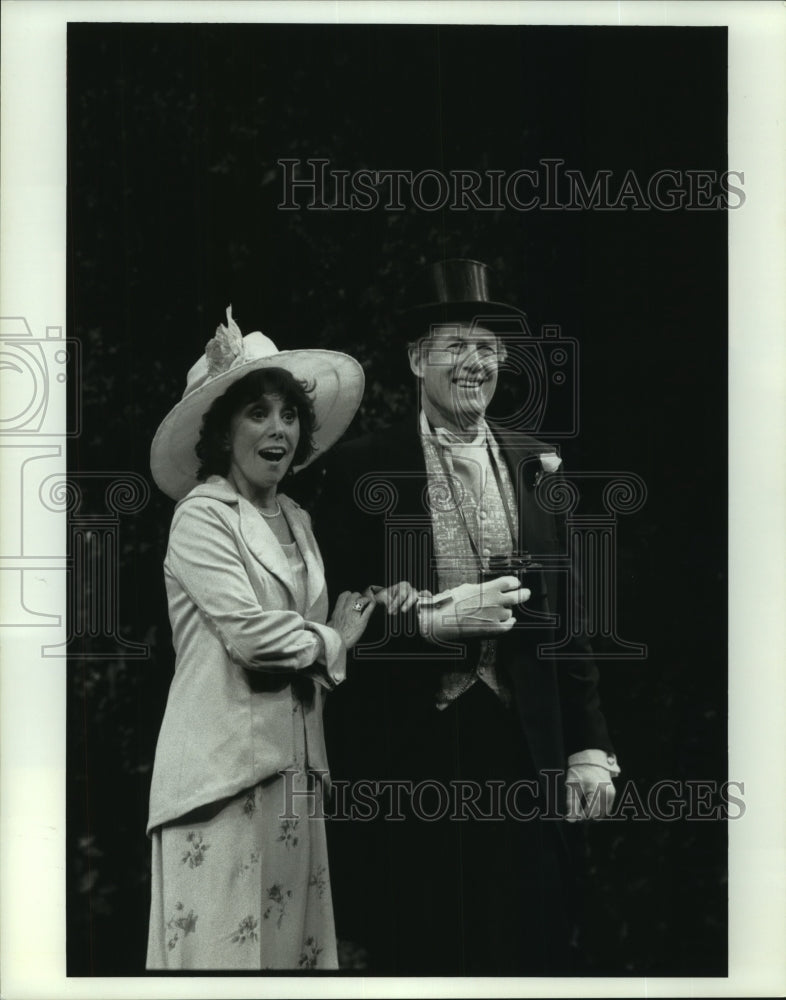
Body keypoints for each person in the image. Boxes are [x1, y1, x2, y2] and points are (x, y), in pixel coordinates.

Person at [316, 259, 621, 976]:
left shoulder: (538, 463)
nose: (473, 363)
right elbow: (330, 627)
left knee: (531, 941)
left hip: (524, 738)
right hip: (412, 745)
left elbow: (567, 618)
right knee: (422, 947)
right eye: (455, 346)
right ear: (418, 359)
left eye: (486, 348)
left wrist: (589, 745)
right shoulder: (361, 468)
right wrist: (428, 624)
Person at [146, 307, 376, 970]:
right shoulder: (201, 517)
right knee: (223, 962)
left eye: (289, 413)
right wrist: (333, 641)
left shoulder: (297, 519)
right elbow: (253, 637)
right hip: (219, 780)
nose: (278, 428)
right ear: (222, 433)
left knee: (288, 963)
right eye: (256, 412)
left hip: (296, 777)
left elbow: (287, 627)